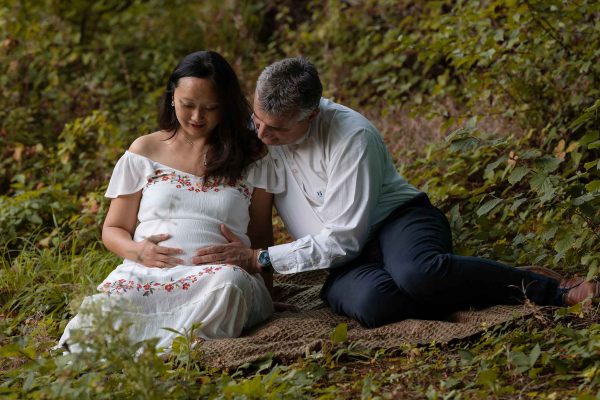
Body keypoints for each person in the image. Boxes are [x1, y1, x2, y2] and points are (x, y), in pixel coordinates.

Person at [192, 56, 599, 329]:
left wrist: (261, 258)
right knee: (376, 307)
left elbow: (345, 237)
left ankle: (549, 288)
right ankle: (467, 281)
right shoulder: (258, 131)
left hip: (397, 222)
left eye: (277, 129)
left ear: (312, 114)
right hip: (344, 260)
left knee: (420, 273)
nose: (261, 135)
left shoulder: (352, 136)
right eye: (257, 121)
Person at [58, 51, 281, 351]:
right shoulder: (145, 150)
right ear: (172, 97)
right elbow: (113, 229)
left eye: (211, 108)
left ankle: (171, 351)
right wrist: (138, 252)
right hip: (149, 274)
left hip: (221, 277)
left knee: (229, 285)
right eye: (188, 105)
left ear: (226, 106)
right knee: (101, 315)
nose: (197, 118)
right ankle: (168, 348)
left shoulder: (253, 159)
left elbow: (261, 236)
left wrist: (268, 293)